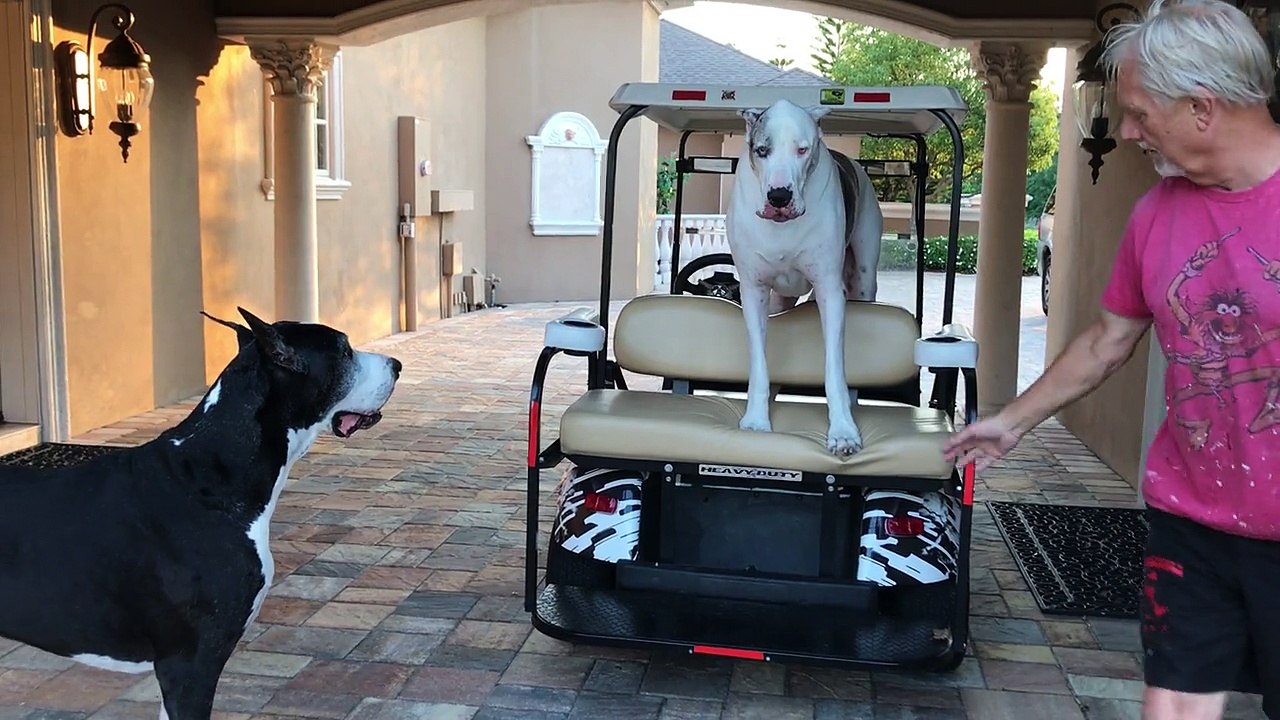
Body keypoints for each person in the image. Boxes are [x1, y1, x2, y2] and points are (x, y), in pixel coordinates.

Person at [942, 1, 1280, 718]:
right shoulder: (1158, 212)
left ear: (1201, 107)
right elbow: (1107, 338)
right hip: (1190, 523)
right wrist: (1014, 422)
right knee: (1175, 707)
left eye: (1137, 111)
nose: (1126, 131)